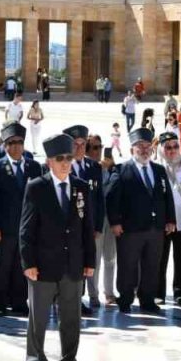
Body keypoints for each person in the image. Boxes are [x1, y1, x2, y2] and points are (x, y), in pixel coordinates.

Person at [21, 133, 94, 361]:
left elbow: (87, 228)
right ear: (49, 162)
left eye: (69, 158)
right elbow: (26, 229)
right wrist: (28, 263)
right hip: (42, 265)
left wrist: (90, 262)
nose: (65, 163)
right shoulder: (37, 187)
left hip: (72, 265)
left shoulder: (81, 187)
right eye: (60, 158)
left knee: (72, 319)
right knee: (38, 318)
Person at [103, 127, 175, 313]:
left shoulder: (159, 170)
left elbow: (167, 196)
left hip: (155, 228)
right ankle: (125, 298)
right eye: (139, 146)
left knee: (152, 265)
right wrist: (115, 222)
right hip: (130, 228)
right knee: (128, 264)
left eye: (147, 146)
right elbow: (112, 198)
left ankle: (147, 299)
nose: (144, 150)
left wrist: (170, 219)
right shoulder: (121, 170)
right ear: (131, 150)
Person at [0, 123, 39, 315]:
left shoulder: (34, 168)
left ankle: (19, 301)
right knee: (0, 266)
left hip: (26, 228)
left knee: (22, 266)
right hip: (3, 228)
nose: (16, 146)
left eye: (19, 142)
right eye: (11, 143)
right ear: (5, 145)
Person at [63, 125, 104, 313]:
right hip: (67, 226)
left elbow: (99, 199)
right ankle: (63, 300)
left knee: (83, 262)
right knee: (66, 263)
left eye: (82, 144)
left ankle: (78, 300)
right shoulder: (62, 166)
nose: (79, 148)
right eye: (75, 144)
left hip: (87, 226)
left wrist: (98, 225)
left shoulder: (94, 167)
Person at [158, 131, 181, 306]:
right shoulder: (156, 168)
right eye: (167, 147)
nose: (172, 150)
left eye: (175, 146)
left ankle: (180, 292)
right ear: (161, 149)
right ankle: (158, 293)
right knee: (159, 259)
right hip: (162, 222)